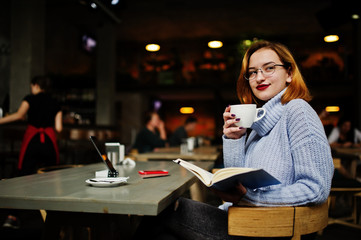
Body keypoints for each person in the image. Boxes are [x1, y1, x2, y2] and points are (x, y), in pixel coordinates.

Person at [133, 40, 334, 240]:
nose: (259, 77)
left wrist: (249, 198)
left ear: (289, 73)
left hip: (271, 229)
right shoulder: (257, 126)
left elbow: (316, 189)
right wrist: (233, 139)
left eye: (269, 68)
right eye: (253, 72)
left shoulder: (297, 110)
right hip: (244, 220)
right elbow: (237, 180)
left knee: (166, 212)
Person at [0, 75, 62, 176]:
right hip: (49, 142)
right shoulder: (55, 102)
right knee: (51, 174)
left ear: (36, 85)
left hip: (32, 141)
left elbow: (19, 115)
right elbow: (59, 128)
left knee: (26, 173)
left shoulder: (29, 98)